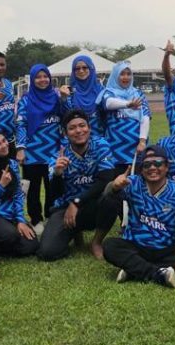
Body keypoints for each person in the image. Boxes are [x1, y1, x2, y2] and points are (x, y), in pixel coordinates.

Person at [102, 145, 175, 287]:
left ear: (166, 167)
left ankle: (134, 269)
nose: (152, 168)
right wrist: (114, 186)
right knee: (109, 246)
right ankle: (158, 274)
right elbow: (107, 196)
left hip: (166, 248)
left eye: (158, 163)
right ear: (141, 169)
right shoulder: (132, 183)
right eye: (147, 164)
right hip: (136, 246)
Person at [37, 110, 116, 262]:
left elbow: (105, 179)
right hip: (66, 208)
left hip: (93, 204)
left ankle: (96, 242)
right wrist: (58, 174)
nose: (79, 130)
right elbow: (54, 195)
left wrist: (77, 202)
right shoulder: (57, 155)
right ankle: (74, 231)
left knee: (114, 193)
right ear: (65, 133)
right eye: (72, 128)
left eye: (82, 125)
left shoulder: (101, 145)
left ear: (89, 128)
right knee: (47, 252)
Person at [15, 64, 63, 225]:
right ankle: (36, 220)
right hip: (32, 152)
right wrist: (21, 149)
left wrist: (65, 99)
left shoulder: (57, 97)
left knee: (53, 187)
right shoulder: (26, 99)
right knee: (32, 189)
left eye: (45, 76)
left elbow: (66, 116)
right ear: (32, 80)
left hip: (54, 152)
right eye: (38, 77)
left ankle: (51, 217)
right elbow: (21, 124)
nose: (42, 80)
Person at [98, 61, 151, 174]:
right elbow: (108, 103)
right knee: (116, 183)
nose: (126, 77)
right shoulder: (108, 92)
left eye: (128, 74)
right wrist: (128, 104)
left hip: (137, 150)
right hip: (114, 152)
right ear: (115, 75)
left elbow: (145, 117)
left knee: (136, 182)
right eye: (122, 74)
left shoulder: (138, 94)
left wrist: (142, 141)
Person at [59, 54, 104, 128]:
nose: (81, 71)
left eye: (85, 67)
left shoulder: (101, 90)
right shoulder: (68, 90)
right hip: (77, 132)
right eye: (77, 68)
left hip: (98, 132)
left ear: (91, 69)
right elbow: (64, 114)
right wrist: (63, 99)